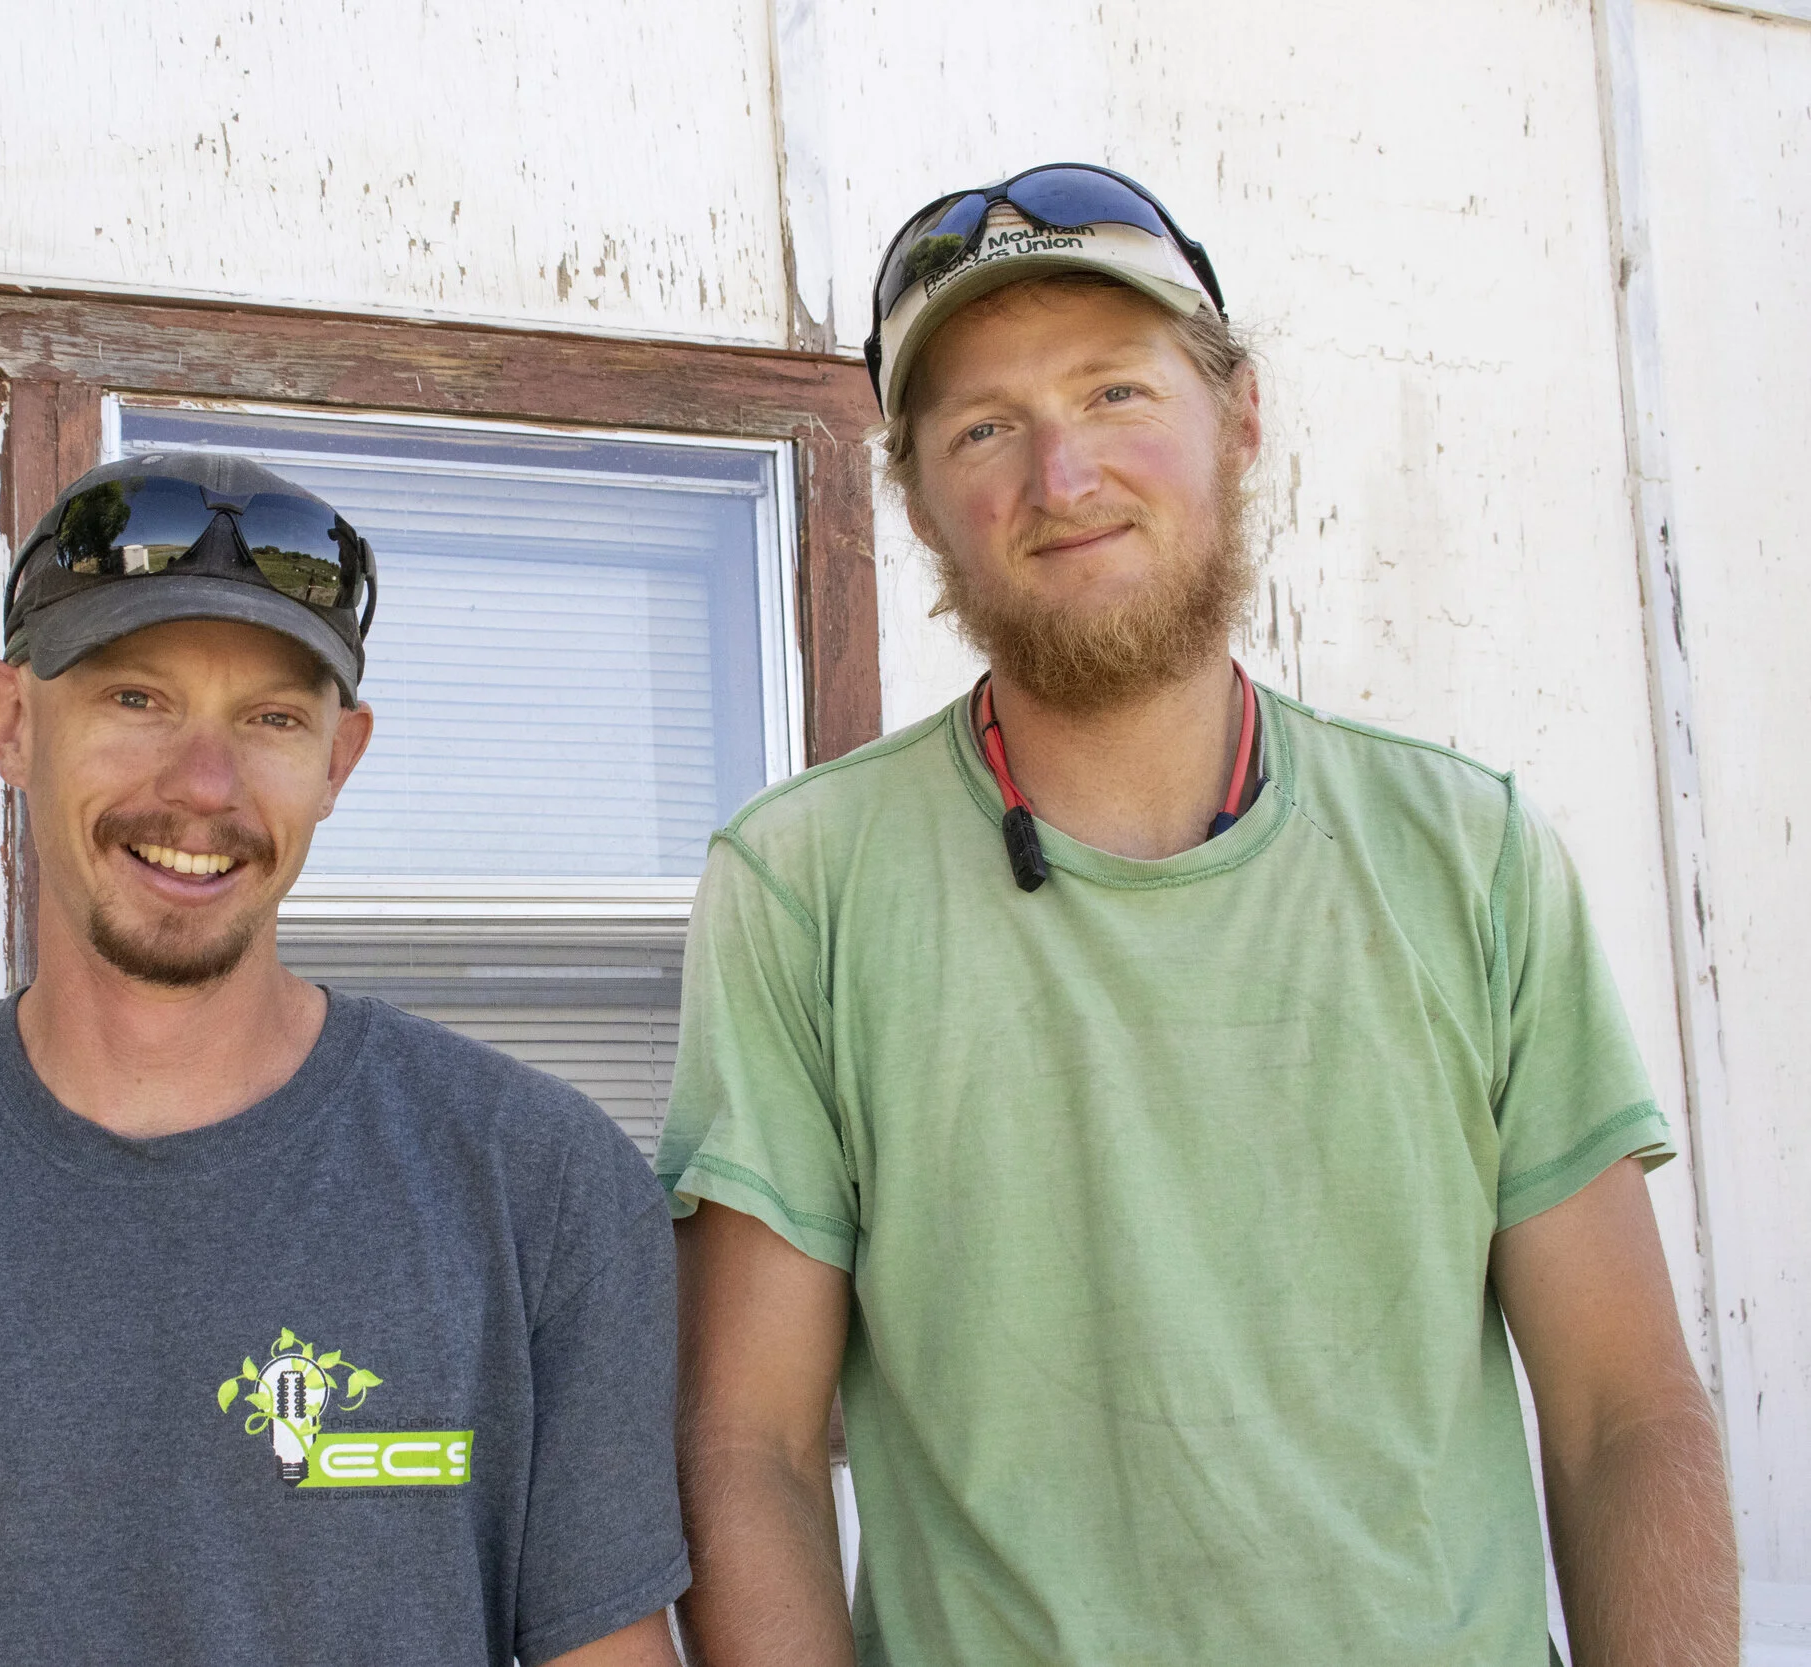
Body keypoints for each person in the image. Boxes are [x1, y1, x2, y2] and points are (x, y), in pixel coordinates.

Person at [662, 164, 1739, 1665]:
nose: (1063, 477)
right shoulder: (805, 885)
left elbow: (1626, 1414)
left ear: (1239, 419)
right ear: (912, 497)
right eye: (986, 427)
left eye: (1115, 393)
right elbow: (751, 1450)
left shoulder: (1467, 851)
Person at [0, 453, 687, 1667]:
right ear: (11, 723)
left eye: (270, 718)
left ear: (341, 758)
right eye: (134, 700)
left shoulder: (539, 1189)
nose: (200, 788)